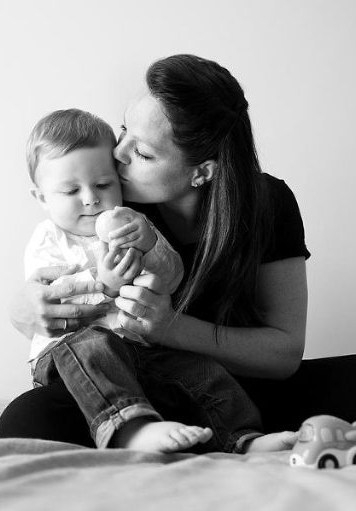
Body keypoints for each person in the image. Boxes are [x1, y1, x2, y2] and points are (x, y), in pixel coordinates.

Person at [0, 54, 356, 446]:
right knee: (27, 417)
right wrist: (26, 307)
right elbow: (51, 280)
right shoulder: (110, 203)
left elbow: (282, 354)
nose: (116, 158)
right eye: (122, 132)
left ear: (203, 171)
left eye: (141, 152)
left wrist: (169, 327)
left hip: (252, 388)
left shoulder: (265, 204)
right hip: (150, 392)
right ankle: (156, 437)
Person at [21, 108, 285, 453]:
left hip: (141, 348)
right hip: (71, 352)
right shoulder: (49, 239)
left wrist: (148, 242)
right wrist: (104, 283)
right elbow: (53, 300)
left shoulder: (133, 221)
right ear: (42, 198)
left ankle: (243, 439)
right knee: (90, 346)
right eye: (71, 191)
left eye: (103, 184)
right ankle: (131, 428)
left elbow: (173, 275)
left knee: (202, 371)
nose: (90, 198)